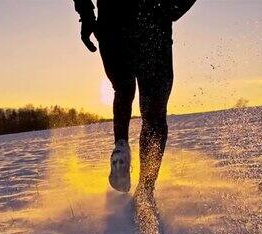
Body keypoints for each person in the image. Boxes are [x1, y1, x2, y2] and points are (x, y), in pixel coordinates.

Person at [73, 0, 196, 201]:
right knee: (154, 114)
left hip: (112, 26)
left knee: (123, 89)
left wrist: (86, 16)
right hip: (152, 24)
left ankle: (121, 144)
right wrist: (170, 10)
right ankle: (145, 190)